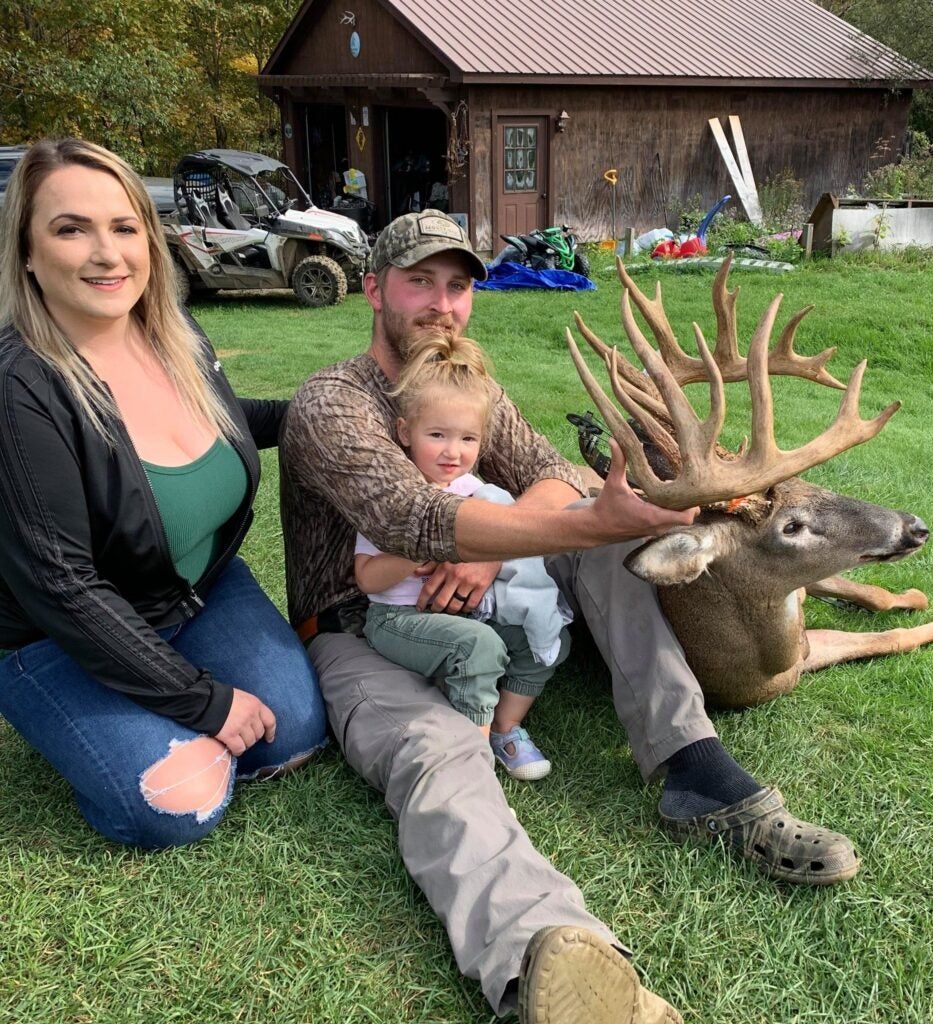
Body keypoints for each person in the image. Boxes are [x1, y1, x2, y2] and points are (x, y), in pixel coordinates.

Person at [280, 210, 859, 1022]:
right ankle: (542, 957)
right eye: (420, 282)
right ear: (374, 289)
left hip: (478, 597)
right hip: (364, 628)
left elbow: (551, 473)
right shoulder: (331, 403)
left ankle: (694, 769)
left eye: (458, 286)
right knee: (437, 756)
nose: (442, 304)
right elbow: (409, 515)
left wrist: (499, 548)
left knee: (601, 543)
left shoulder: (471, 385)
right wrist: (559, 522)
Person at [0, 139, 327, 849]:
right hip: (55, 636)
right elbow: (62, 587)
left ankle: (135, 706)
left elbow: (231, 423)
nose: (107, 253)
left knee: (295, 730)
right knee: (178, 804)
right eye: (70, 228)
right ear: (26, 252)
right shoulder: (22, 389)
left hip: (196, 592)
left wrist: (332, 408)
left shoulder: (173, 333)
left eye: (124, 227)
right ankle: (79, 711)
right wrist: (203, 703)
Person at [354, 330, 570, 779]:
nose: (453, 452)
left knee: (545, 639)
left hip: (469, 610)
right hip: (398, 618)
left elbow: (510, 554)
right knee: (481, 646)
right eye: (437, 435)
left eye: (467, 439)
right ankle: (474, 765)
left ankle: (504, 729)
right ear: (405, 432)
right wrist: (412, 556)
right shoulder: (397, 497)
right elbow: (367, 579)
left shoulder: (480, 495)